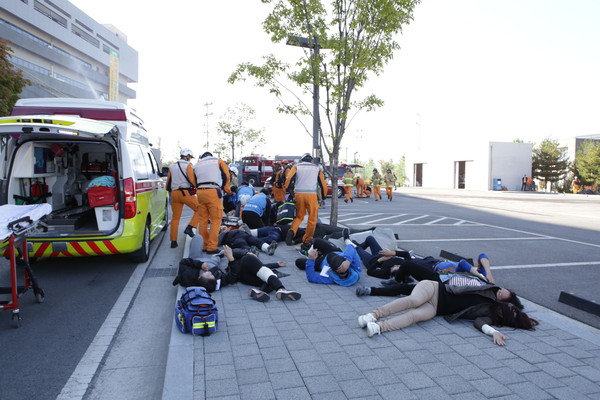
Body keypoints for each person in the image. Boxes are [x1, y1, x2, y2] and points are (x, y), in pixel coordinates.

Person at [357, 280, 538, 345]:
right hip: (435, 289)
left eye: (513, 313)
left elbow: (478, 323)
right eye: (501, 291)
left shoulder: (490, 315)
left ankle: (378, 327)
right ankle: (374, 315)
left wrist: (493, 331)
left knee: (416, 316)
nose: (500, 291)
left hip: (436, 309)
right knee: (413, 301)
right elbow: (468, 286)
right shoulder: (488, 290)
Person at [173, 235, 300, 302]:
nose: (208, 272)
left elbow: (183, 262)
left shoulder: (187, 276)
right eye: (210, 275)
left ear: (199, 276)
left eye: (207, 273)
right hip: (219, 261)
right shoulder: (219, 280)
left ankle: (264, 290)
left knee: (198, 239)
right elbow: (233, 276)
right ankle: (278, 289)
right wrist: (231, 258)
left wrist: (199, 265)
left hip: (198, 260)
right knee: (253, 265)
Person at [192, 151, 232, 254]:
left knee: (203, 220)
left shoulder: (197, 164)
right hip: (213, 191)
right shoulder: (217, 160)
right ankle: (212, 247)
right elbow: (226, 175)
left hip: (200, 192)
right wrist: (225, 188)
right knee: (215, 220)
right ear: (210, 156)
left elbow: (193, 180)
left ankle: (204, 245)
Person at [283, 153, 327, 245]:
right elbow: (322, 184)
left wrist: (287, 191)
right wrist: (323, 196)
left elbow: (289, 179)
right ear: (311, 160)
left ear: (302, 160)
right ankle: (307, 240)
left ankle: (292, 231)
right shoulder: (317, 168)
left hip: (299, 194)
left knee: (299, 216)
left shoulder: (297, 166)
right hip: (311, 195)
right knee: (312, 218)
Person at [166, 148, 200, 248]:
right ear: (187, 156)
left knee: (175, 218)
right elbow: (192, 180)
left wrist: (171, 194)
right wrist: (197, 187)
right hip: (185, 193)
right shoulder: (188, 165)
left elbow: (168, 183)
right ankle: (190, 227)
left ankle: (173, 241)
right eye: (190, 157)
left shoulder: (172, 166)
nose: (190, 159)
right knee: (200, 208)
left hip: (174, 193)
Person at [295, 236, 362, 286]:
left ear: (335, 271)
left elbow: (311, 278)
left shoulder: (332, 278)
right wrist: (348, 260)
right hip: (333, 251)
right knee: (317, 241)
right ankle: (313, 252)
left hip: (321, 263)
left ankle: (312, 254)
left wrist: (311, 260)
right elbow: (350, 246)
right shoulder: (355, 268)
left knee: (298, 262)